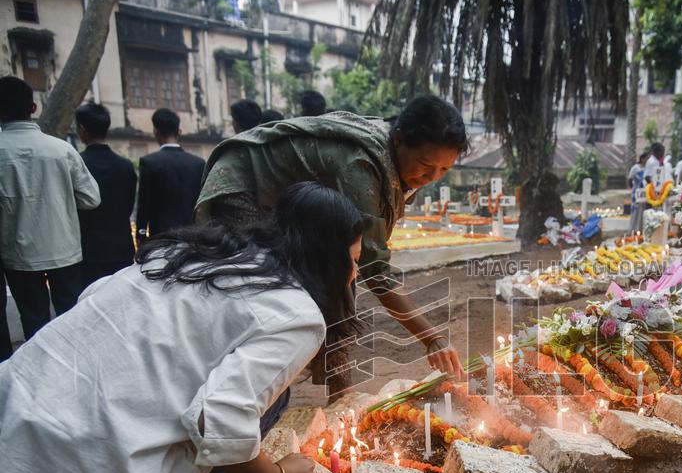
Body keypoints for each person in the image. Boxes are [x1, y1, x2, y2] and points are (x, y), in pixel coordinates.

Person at [0, 182, 363, 473]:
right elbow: (219, 419)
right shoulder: (297, 315)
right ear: (326, 260)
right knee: (275, 401)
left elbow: (95, 298)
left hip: (27, 416)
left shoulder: (193, 254)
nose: (355, 273)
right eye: (353, 260)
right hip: (102, 462)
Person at [196, 94, 468, 388]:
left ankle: (337, 384)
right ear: (399, 140)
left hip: (297, 204)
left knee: (341, 272)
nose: (431, 177)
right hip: (245, 184)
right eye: (426, 165)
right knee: (261, 288)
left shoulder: (392, 160)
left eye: (444, 170)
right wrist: (432, 338)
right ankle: (243, 385)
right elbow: (376, 270)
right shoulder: (360, 167)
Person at [0, 76, 100, 342]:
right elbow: (91, 198)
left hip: (18, 255)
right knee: (71, 319)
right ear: (33, 108)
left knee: (34, 322)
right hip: (64, 249)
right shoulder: (61, 150)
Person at [74, 102, 138, 288]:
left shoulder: (77, 164)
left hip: (87, 249)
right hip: (121, 246)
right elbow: (128, 205)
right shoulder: (125, 165)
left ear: (82, 129)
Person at [136, 108, 206, 242]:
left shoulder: (149, 162)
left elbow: (144, 205)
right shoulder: (199, 163)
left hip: (162, 236)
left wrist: (141, 233)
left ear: (156, 132)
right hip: (193, 236)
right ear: (179, 132)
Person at [627, 151, 649, 234]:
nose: (648, 160)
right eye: (647, 158)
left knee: (643, 210)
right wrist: (633, 188)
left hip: (645, 193)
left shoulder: (647, 168)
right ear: (642, 159)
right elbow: (630, 179)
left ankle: (640, 229)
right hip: (637, 193)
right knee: (635, 210)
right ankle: (633, 229)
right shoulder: (635, 168)